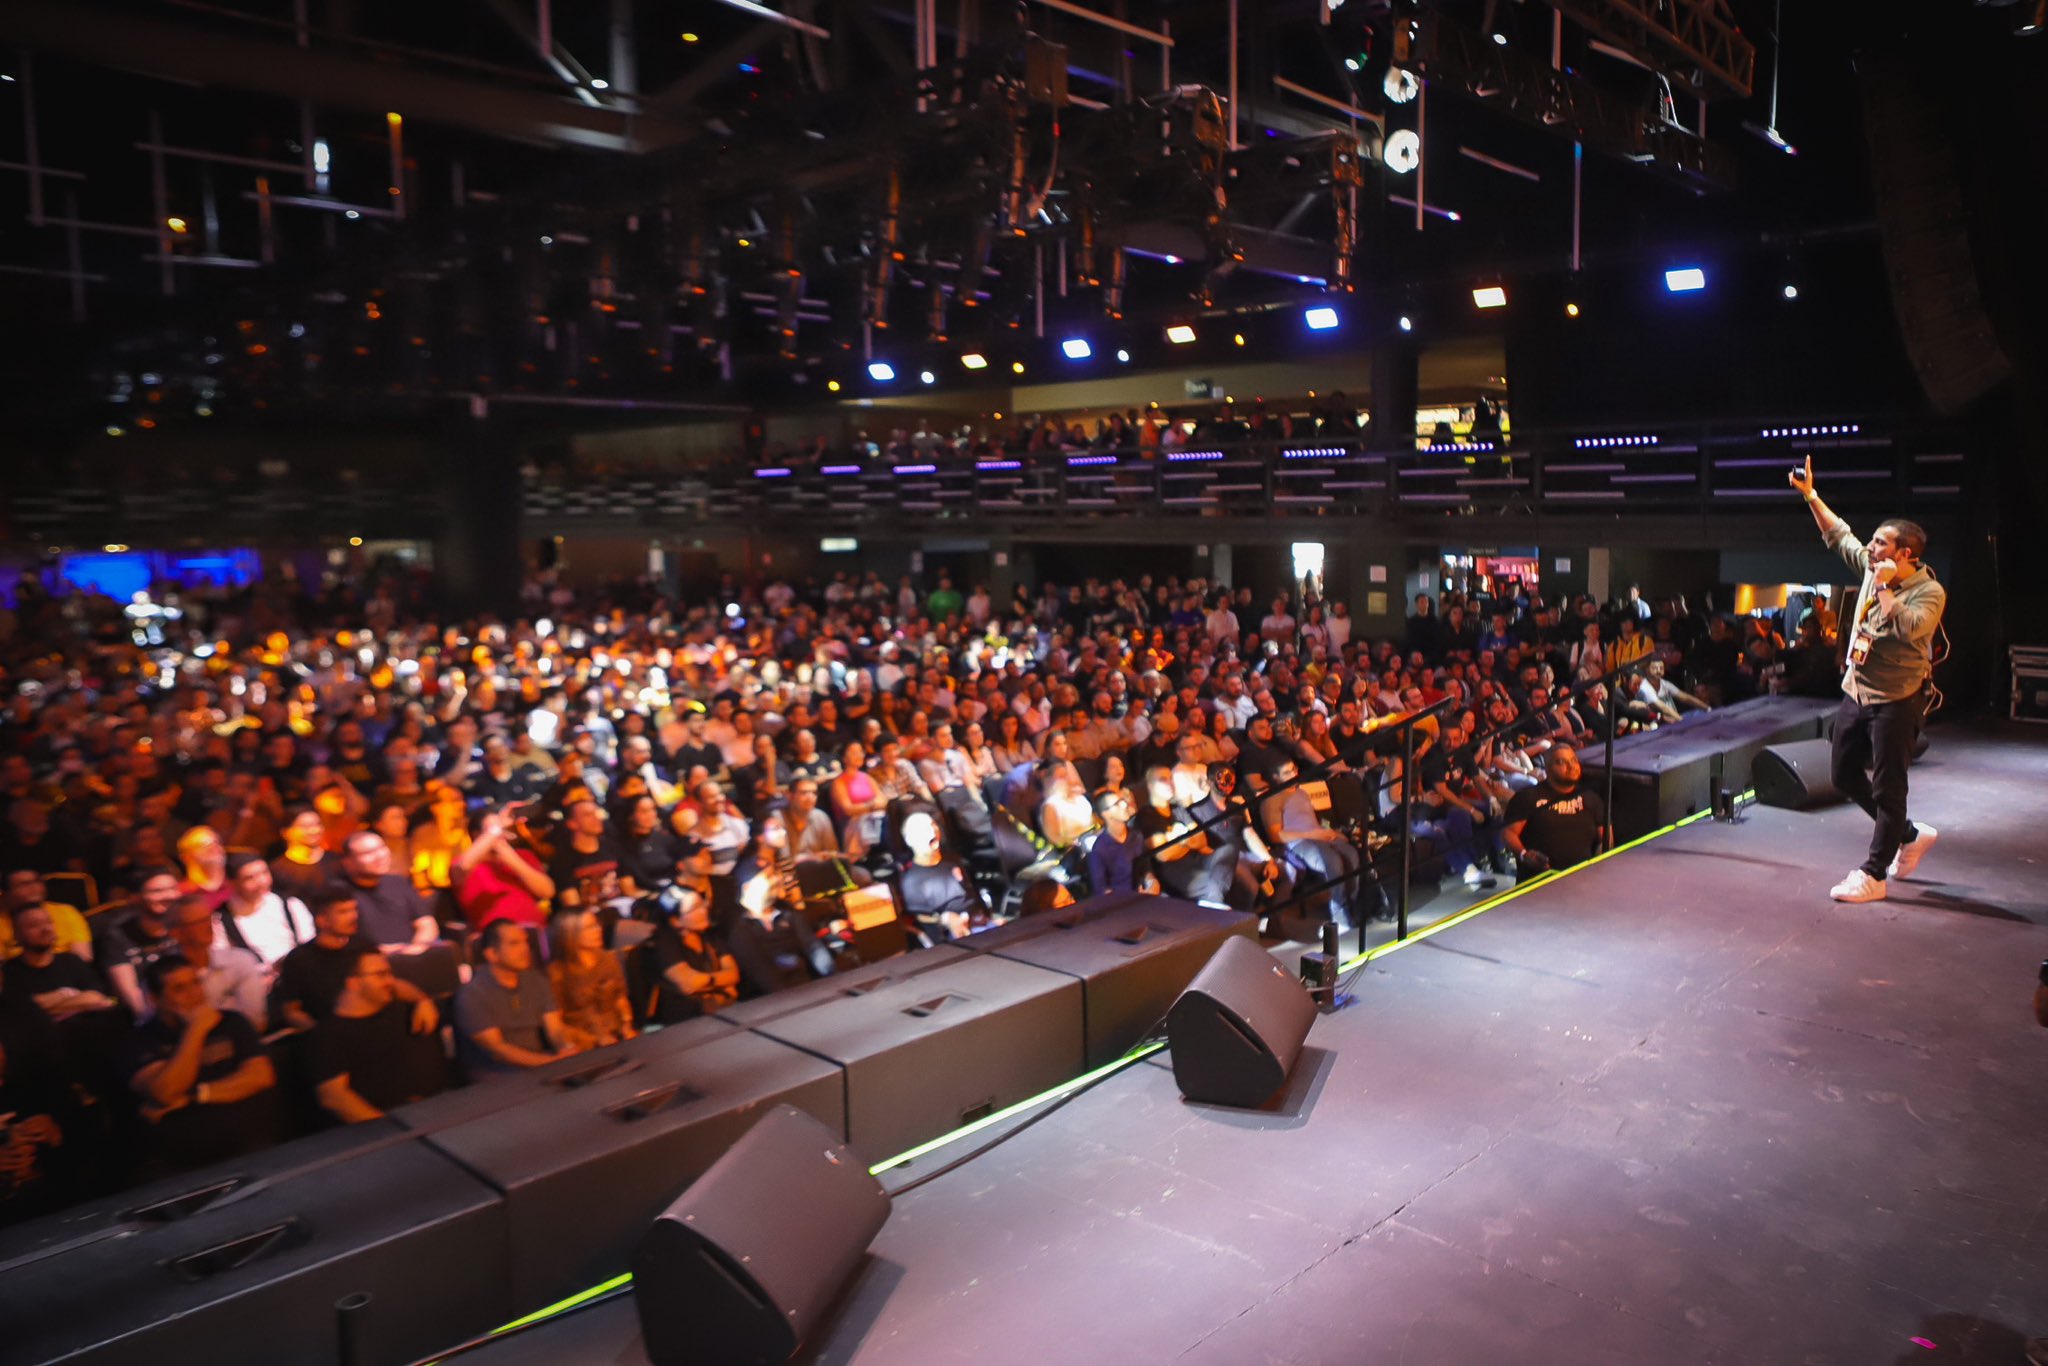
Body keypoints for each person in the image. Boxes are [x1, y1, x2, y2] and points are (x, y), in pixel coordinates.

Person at [1790, 456, 1947, 903]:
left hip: (1898, 698)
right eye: (1873, 543)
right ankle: (1910, 834)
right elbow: (1838, 534)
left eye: (1880, 544)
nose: (1871, 549)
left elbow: (1912, 628)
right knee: (1842, 774)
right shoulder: (1870, 564)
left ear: (1905, 555)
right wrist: (1811, 496)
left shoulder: (1928, 591)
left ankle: (1874, 874)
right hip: (1856, 691)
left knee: (1887, 785)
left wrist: (1881, 586)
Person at [123, 954, 282, 1173]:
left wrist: (192, 1096)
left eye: (196, 983)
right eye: (180, 989)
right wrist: (195, 1030)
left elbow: (260, 1077)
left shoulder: (231, 1022)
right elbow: (165, 1092)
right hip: (185, 1160)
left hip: (253, 1142)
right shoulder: (139, 1041)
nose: (194, 994)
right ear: (154, 998)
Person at [310, 947, 450, 1122]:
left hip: (442, 1109)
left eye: (390, 973)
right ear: (354, 983)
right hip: (390, 1126)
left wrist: (423, 1000)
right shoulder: (329, 1035)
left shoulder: (404, 1010)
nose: (391, 981)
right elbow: (334, 1098)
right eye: (381, 975)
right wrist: (389, 1129)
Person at [454, 919, 578, 1076]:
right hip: (498, 1082)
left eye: (525, 942)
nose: (525, 949)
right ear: (492, 954)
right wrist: (551, 1063)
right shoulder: (472, 995)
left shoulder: (535, 980)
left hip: (542, 1069)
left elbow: (555, 1028)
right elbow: (498, 1050)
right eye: (514, 944)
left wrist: (566, 1047)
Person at [1502, 746, 1608, 874]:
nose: (1571, 766)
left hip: (1581, 879)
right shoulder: (1528, 797)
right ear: (1547, 768)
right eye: (1562, 762)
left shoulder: (1591, 798)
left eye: (1574, 760)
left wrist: (1599, 864)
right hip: (1540, 880)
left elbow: (1606, 837)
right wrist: (1524, 854)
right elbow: (1508, 833)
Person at [646, 884, 740, 1023]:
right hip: (686, 1019)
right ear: (675, 921)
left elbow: (733, 974)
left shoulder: (709, 935)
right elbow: (688, 982)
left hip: (721, 1009)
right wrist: (720, 982)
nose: (704, 910)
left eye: (702, 903)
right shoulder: (663, 944)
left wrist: (706, 980)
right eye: (695, 908)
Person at [546, 908, 637, 1047]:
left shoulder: (608, 959)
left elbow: (620, 997)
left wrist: (627, 1025)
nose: (598, 930)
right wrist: (592, 1040)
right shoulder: (558, 972)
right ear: (571, 934)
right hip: (584, 1041)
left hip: (617, 1034)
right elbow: (557, 1024)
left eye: (596, 925)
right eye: (589, 927)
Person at [1085, 788, 1143, 895]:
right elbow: (1101, 889)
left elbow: (1146, 867)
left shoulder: (1136, 835)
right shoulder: (1100, 849)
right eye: (1117, 804)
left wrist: (1151, 881)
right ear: (1106, 814)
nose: (1124, 805)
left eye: (1122, 801)